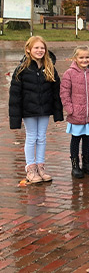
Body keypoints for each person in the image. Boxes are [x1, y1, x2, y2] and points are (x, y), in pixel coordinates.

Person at [9, 36, 63, 183]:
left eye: (42, 48)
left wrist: (58, 114)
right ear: (28, 49)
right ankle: (30, 168)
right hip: (28, 111)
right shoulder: (21, 70)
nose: (40, 50)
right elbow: (15, 96)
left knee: (42, 137)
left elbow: (56, 93)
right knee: (32, 137)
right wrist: (15, 120)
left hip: (44, 110)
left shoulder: (50, 68)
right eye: (36, 48)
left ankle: (40, 166)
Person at [60, 45, 89, 178]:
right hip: (76, 114)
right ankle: (75, 166)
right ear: (75, 58)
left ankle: (86, 164)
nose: (84, 60)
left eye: (87, 57)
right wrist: (70, 109)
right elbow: (64, 93)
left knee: (87, 139)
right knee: (75, 139)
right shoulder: (69, 73)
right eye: (81, 57)